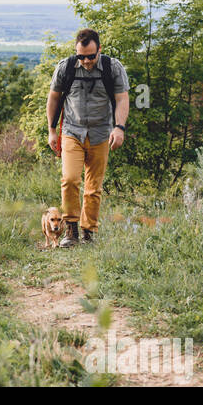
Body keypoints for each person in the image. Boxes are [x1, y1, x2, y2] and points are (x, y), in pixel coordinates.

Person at [45, 28, 130, 247]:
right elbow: (53, 98)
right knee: (70, 179)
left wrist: (119, 127)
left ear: (99, 50)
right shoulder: (66, 68)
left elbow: (122, 99)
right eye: (81, 56)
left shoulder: (113, 68)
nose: (86, 61)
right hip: (72, 131)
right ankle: (71, 230)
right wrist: (51, 130)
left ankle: (88, 232)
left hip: (101, 133)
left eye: (91, 56)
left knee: (93, 187)